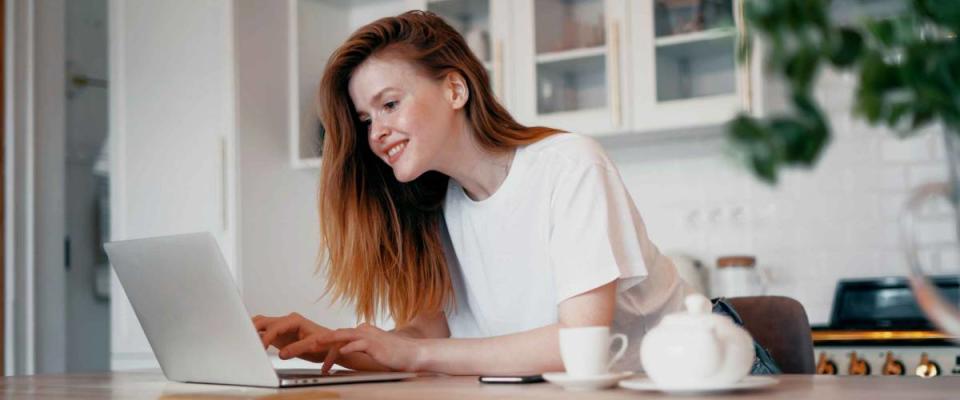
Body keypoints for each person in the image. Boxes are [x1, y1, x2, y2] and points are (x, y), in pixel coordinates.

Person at [252, 10, 689, 375]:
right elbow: (425, 337)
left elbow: (582, 344)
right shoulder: (432, 204)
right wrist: (329, 345)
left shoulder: (570, 165)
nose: (377, 133)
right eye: (367, 119)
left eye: (389, 104)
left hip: (702, 376)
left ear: (455, 89)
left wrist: (415, 353)